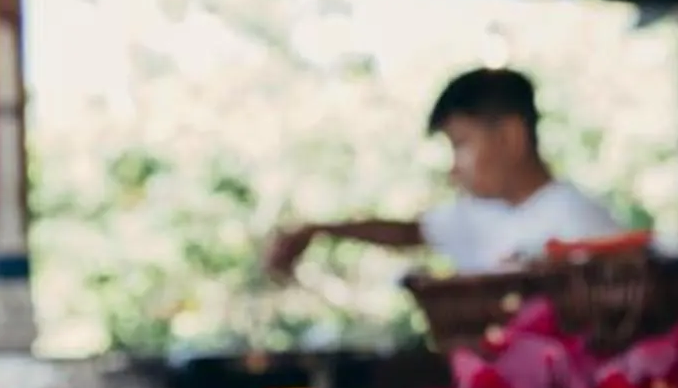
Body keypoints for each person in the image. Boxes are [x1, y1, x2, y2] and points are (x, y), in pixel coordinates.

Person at [264, 66, 623, 281]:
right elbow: (408, 232)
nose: (454, 168)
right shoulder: (478, 216)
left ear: (511, 136)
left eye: (461, 144)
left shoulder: (581, 222)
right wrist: (319, 229)